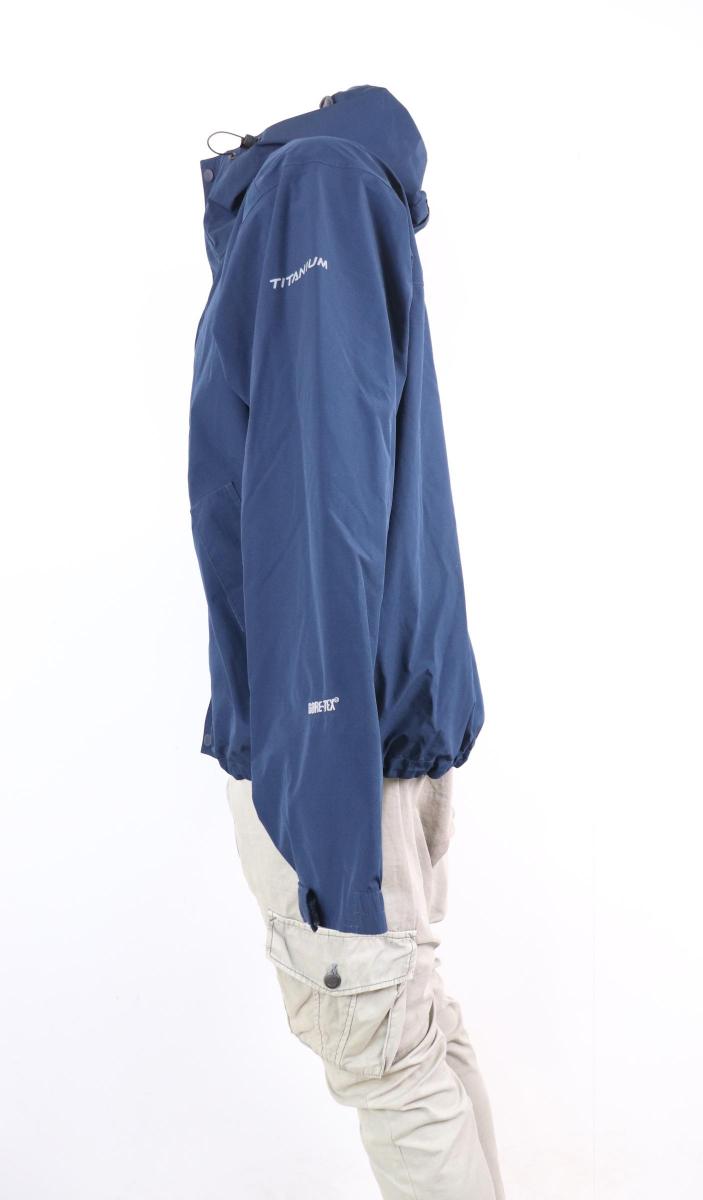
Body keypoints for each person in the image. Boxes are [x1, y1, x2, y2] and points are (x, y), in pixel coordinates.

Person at [188, 84, 505, 1200]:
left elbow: (318, 499)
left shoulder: (312, 190)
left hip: (331, 737)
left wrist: (316, 768)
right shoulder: (344, 194)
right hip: (374, 717)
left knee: (386, 1050)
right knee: (412, 1035)